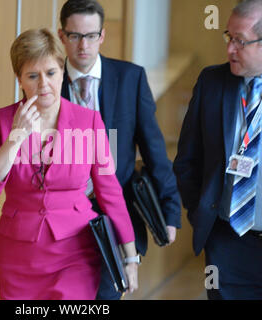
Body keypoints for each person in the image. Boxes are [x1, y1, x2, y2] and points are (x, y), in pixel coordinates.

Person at [0, 28, 139, 300]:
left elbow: (110, 192)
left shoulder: (89, 122)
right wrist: (16, 138)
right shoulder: (1, 121)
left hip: (75, 252)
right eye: (32, 76)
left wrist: (131, 257)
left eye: (50, 73)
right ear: (19, 79)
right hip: (18, 254)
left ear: (62, 72)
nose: (43, 85)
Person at [58, 0, 181, 300]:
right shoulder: (49, 83)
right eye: (74, 36)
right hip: (63, 217)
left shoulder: (130, 79)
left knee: (105, 297)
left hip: (116, 215)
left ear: (102, 35)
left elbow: (153, 148)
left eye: (90, 36)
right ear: (62, 36)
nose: (83, 46)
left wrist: (171, 208)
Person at [173, 0, 262, 299]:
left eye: (240, 41)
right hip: (229, 245)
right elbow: (187, 160)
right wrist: (203, 219)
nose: (229, 49)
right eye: (229, 37)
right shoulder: (212, 82)